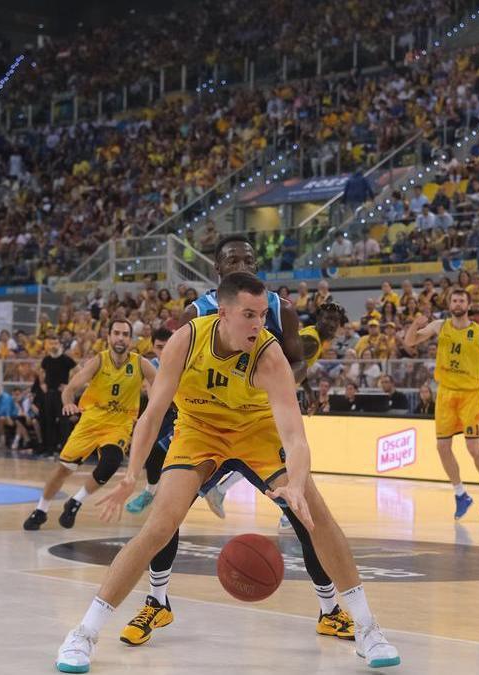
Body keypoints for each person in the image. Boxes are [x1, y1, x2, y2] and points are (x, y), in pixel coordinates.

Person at [54, 273, 400, 672]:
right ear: (223, 314)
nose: (257, 324)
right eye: (248, 315)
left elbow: (295, 437)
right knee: (158, 527)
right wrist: (131, 476)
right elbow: (151, 416)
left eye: (262, 315)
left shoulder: (270, 357)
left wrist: (300, 486)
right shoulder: (187, 340)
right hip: (199, 431)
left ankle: (368, 627)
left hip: (255, 433)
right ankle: (84, 632)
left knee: (316, 516)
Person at [134, 236, 355, 644]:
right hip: (207, 424)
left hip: (258, 424)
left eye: (250, 259)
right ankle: (157, 601)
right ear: (218, 270)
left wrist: (280, 381)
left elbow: (297, 363)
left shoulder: (280, 309)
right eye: (235, 259)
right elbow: (176, 372)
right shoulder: (195, 314)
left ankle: (329, 608)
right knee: (167, 517)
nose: (244, 264)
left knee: (302, 515)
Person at [23, 319, 155, 531]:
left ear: (130, 339)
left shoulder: (140, 363)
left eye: (125, 334)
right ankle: (41, 509)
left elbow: (163, 384)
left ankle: (75, 501)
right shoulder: (98, 361)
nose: (120, 337)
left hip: (118, 426)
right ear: (109, 337)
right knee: (63, 470)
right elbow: (70, 388)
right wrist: (67, 404)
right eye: (116, 333)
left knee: (111, 462)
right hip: (90, 423)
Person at [404, 288, 479, 521]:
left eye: (461, 300)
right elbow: (410, 342)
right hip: (446, 394)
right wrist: (414, 323)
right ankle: (461, 494)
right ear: (449, 304)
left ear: (468, 305)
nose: (458, 303)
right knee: (442, 447)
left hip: (471, 395)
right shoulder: (441, 326)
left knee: (474, 449)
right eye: (454, 300)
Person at [125, 327, 176, 514]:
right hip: (161, 414)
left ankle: (153, 492)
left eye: (167, 346)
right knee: (153, 458)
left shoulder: (183, 361)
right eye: (159, 347)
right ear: (153, 347)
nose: (163, 351)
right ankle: (153, 492)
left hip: (183, 416)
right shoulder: (151, 365)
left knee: (159, 456)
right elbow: (154, 396)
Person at [39, 335, 77, 456]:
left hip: (62, 395)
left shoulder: (66, 359)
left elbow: (79, 371)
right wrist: (42, 383)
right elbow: (40, 372)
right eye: (51, 343)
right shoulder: (46, 359)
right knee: (48, 422)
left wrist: (69, 386)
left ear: (60, 345)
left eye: (56, 343)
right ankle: (50, 450)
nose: (54, 345)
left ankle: (65, 450)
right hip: (49, 394)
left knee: (63, 422)